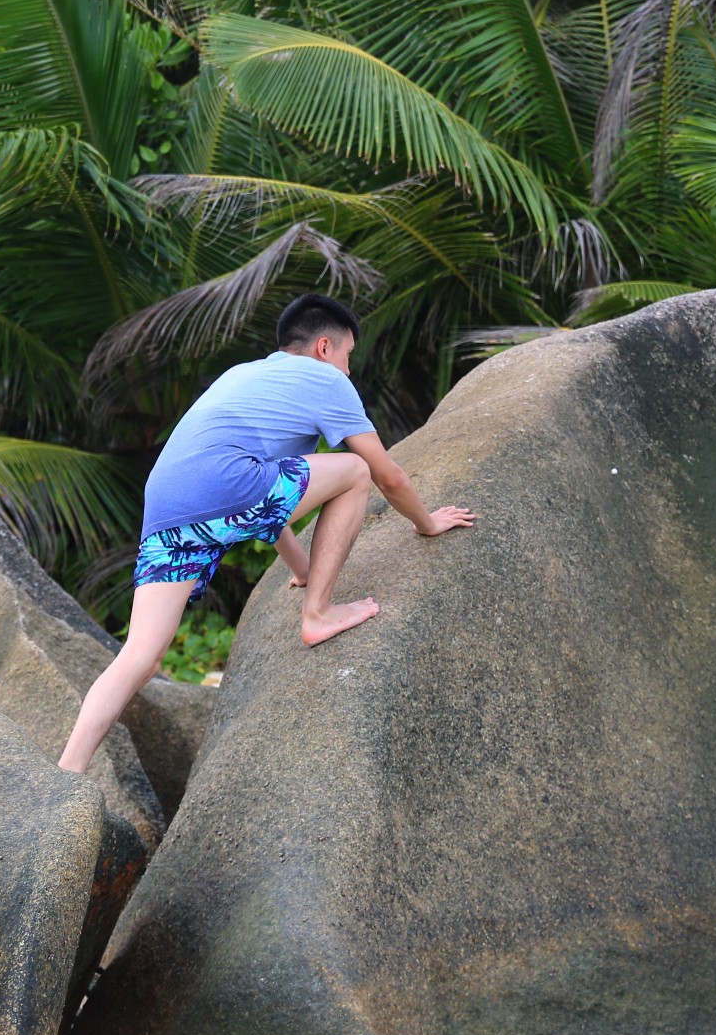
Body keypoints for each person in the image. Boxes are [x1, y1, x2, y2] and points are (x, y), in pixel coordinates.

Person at [58, 293, 475, 774]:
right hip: (227, 484)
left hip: (166, 504)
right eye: (348, 356)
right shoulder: (325, 381)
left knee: (141, 656)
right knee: (356, 470)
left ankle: (68, 773)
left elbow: (264, 493)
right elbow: (388, 476)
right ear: (324, 347)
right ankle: (316, 614)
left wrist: (301, 567)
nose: (348, 369)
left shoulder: (243, 376)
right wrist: (428, 523)